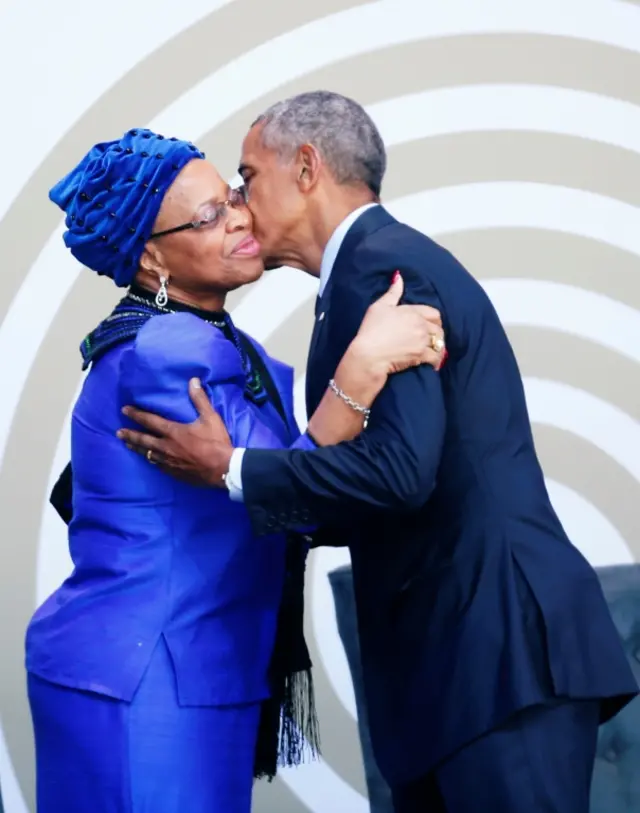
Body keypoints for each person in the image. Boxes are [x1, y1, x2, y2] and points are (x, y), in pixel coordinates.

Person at [119, 92, 639, 813]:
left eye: (247, 176)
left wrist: (231, 468)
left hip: (499, 659)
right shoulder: (359, 277)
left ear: (306, 168)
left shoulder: (381, 271)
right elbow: (373, 493)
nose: (238, 203)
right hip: (465, 672)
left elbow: (398, 473)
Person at [26, 127, 447, 813]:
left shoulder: (215, 341)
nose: (240, 218)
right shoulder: (167, 353)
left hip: (190, 668)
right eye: (208, 217)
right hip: (141, 680)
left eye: (230, 197)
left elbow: (281, 477)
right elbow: (295, 497)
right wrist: (362, 366)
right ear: (151, 259)